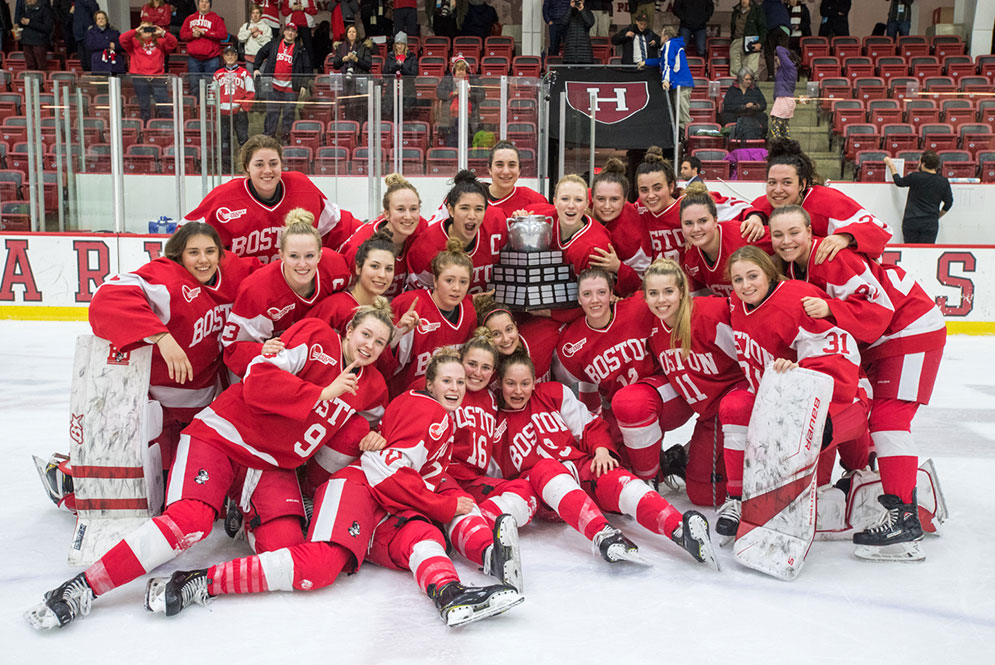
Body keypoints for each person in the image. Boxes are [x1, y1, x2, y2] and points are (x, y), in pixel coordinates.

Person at [25, 313, 387, 630]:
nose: (370, 345)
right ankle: (82, 588)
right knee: (191, 520)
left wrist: (372, 439)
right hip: (223, 435)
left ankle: (202, 571)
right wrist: (321, 393)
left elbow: (359, 431)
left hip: (269, 467)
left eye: (380, 341)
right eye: (365, 334)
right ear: (349, 329)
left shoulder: (372, 388)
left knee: (285, 551)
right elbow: (258, 381)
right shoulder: (318, 337)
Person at [138, 349, 525, 628]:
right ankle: (198, 581)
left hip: (382, 502)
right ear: (430, 382)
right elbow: (387, 470)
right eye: (448, 380)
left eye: (460, 382)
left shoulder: (433, 412)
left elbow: (410, 466)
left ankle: (450, 595)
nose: (456, 387)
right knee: (320, 567)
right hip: (360, 488)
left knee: (422, 535)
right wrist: (443, 507)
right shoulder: (431, 412)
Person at [768, 205, 946, 558]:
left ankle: (903, 518)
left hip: (909, 329)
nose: (786, 241)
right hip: (880, 342)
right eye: (778, 235)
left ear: (809, 231)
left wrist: (834, 310)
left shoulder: (832, 257)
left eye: (794, 233)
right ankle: (874, 479)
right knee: (857, 406)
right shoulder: (792, 266)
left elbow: (879, 311)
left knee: (888, 419)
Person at [495, 352, 718, 568]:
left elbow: (589, 425)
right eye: (510, 383)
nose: (518, 391)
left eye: (524, 383)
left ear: (534, 382)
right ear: (500, 384)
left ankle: (678, 528)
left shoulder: (553, 393)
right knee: (544, 466)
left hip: (578, 467)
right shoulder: (495, 423)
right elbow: (490, 473)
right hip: (546, 491)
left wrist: (601, 448)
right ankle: (603, 534)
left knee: (612, 476)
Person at [84, 223, 259, 475]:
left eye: (210, 251)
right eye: (193, 252)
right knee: (163, 478)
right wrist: (162, 338)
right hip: (162, 408)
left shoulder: (233, 270)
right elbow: (107, 297)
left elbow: (279, 279)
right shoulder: (166, 277)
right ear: (178, 255)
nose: (203, 260)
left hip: (211, 401)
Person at [717, 245, 866, 538]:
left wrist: (800, 370)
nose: (746, 285)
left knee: (818, 480)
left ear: (769, 273)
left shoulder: (797, 298)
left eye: (752, 276)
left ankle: (863, 469)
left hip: (834, 399)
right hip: (779, 402)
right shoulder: (736, 302)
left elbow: (837, 358)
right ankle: (736, 498)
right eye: (738, 279)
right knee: (734, 406)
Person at [614, 258, 747, 505]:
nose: (661, 300)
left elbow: (750, 353)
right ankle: (683, 456)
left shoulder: (708, 314)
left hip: (736, 405)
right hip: (708, 413)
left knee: (717, 490)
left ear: (682, 291)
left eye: (668, 292)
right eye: (653, 293)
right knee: (703, 494)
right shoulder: (652, 324)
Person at [184, 135, 355, 264]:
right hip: (242, 287)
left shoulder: (302, 187)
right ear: (246, 167)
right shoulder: (224, 198)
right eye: (259, 164)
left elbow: (336, 226)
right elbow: (184, 234)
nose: (267, 170)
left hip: (296, 279)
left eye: (273, 163)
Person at [222, 210, 350, 377]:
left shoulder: (336, 268)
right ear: (281, 255)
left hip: (311, 355)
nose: (302, 264)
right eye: (294, 256)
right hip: (267, 363)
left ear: (320, 255)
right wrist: (260, 349)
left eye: (309, 256)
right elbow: (233, 347)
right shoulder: (258, 290)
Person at [740, 139, 893, 261]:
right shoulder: (766, 203)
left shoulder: (825, 201)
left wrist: (845, 237)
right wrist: (754, 217)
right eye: (772, 182)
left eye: (787, 182)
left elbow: (879, 229)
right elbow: (748, 209)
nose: (778, 190)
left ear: (802, 184)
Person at [635, 146, 755, 265]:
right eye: (644, 190)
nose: (651, 195)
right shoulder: (639, 209)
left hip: (693, 277)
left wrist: (755, 217)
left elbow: (740, 206)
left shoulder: (689, 204)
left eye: (657, 188)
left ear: (671, 186)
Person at [387, 238, 477, 396]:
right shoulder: (410, 304)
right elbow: (382, 363)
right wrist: (396, 336)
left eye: (463, 282)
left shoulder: (469, 311)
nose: (456, 288)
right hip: (406, 396)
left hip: (448, 398)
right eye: (449, 280)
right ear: (435, 280)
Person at [407, 170, 505, 293]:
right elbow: (420, 298)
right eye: (464, 208)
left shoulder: (496, 221)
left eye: (479, 209)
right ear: (451, 210)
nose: (472, 215)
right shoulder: (425, 247)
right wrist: (468, 303)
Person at [338, 173, 427, 297]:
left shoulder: (420, 227)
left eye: (413, 209)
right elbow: (346, 292)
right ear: (386, 213)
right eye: (400, 209)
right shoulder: (361, 247)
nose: (408, 217)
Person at [680, 182, 772, 297]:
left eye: (703, 221)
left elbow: (785, 242)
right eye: (688, 223)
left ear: (715, 221)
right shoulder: (690, 258)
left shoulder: (744, 234)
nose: (696, 229)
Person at [586, 157, 652, 296]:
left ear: (625, 199)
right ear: (591, 197)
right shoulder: (581, 202)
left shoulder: (633, 234)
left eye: (614, 199)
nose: (607, 206)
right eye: (601, 199)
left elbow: (642, 281)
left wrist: (618, 267)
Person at [311, 230, 397, 334]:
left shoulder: (384, 313)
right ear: (358, 268)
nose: (382, 275)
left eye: (389, 269)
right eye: (374, 266)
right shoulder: (336, 307)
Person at [475, 295, 561, 384]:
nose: (506, 339)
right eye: (496, 334)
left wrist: (550, 313)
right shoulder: (483, 370)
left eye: (509, 329)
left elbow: (574, 314)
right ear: (486, 336)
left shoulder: (541, 336)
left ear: (516, 326)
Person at [255, 21, 312, 145]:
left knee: (288, 115)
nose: (290, 33)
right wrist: (255, 68)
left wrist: (303, 84)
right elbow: (260, 53)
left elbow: (307, 68)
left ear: (296, 34)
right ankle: (269, 138)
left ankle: (286, 139)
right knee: (271, 113)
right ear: (284, 31)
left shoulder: (301, 49)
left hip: (291, 88)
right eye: (288, 30)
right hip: (273, 86)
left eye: (293, 31)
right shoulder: (274, 44)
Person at [884, 151, 953, 244]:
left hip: (912, 221)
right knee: (926, 252)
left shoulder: (915, 177)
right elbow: (949, 203)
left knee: (910, 250)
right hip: (930, 222)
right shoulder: (943, 181)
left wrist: (891, 166)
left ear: (923, 164)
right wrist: (937, 216)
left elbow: (899, 182)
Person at [120, 21, 177, 124]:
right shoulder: (134, 42)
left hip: (157, 77)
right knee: (144, 106)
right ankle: (145, 128)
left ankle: (167, 127)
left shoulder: (160, 42)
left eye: (149, 28)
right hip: (139, 77)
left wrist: (163, 32)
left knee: (164, 105)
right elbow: (122, 39)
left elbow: (173, 43)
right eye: (144, 29)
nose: (147, 31)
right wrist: (136, 30)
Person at [644, 26, 693, 128]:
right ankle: (682, 138)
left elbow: (668, 64)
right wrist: (646, 62)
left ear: (666, 36)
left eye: (661, 36)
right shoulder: (675, 44)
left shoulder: (670, 44)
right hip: (682, 82)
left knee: (682, 115)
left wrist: (665, 80)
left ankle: (685, 139)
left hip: (680, 83)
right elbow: (662, 61)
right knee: (679, 114)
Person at [214, 45, 255, 170]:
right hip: (223, 113)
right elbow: (212, 92)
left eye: (232, 54)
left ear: (236, 56)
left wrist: (244, 107)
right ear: (224, 57)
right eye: (227, 54)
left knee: (243, 140)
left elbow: (251, 92)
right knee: (224, 141)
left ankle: (244, 166)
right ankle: (225, 167)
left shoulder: (244, 73)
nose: (230, 57)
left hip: (239, 112)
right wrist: (216, 107)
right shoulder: (218, 74)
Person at [485, 141, 547, 217]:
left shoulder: (535, 200)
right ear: (489, 169)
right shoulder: (473, 198)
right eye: (499, 165)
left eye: (512, 165)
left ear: (519, 170)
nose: (506, 171)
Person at [434, 55, 485, 147]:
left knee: (468, 145)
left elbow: (482, 95)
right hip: (451, 119)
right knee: (451, 144)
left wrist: (470, 95)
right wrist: (453, 93)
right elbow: (439, 93)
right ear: (454, 71)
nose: (460, 72)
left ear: (466, 71)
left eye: (462, 70)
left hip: (470, 118)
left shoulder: (474, 81)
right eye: (458, 70)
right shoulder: (447, 80)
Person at [180, 0, 227, 94]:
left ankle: (210, 108)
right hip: (194, 58)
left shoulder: (216, 18)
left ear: (210, 5)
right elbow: (182, 35)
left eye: (206, 2)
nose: (204, 4)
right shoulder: (190, 18)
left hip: (212, 58)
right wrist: (192, 34)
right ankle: (196, 108)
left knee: (211, 88)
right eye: (201, 1)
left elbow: (223, 34)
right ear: (198, 4)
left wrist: (206, 33)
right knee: (194, 87)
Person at [720, 68, 767, 138]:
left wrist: (756, 106)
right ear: (741, 79)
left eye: (750, 79)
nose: (749, 82)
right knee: (726, 116)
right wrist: (744, 107)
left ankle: (761, 139)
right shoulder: (732, 90)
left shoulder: (755, 90)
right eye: (746, 79)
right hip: (735, 115)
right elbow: (727, 106)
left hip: (752, 114)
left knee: (763, 116)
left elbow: (764, 105)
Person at [769, 46, 798, 140]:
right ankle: (787, 148)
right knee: (783, 128)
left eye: (777, 58)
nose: (776, 60)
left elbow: (779, 48)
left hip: (784, 100)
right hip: (784, 99)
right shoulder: (784, 69)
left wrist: (785, 54)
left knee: (775, 129)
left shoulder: (789, 67)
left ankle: (780, 148)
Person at [729, 0, 765, 77]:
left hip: (752, 41)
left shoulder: (757, 11)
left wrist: (760, 43)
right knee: (735, 70)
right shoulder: (736, 11)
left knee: (750, 70)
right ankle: (736, 87)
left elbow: (763, 28)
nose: (744, 1)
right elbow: (732, 28)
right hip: (736, 40)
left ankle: (751, 88)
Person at [85, 11, 126, 75]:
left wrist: (114, 46)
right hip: (99, 65)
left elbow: (122, 45)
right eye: (98, 19)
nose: (101, 20)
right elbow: (90, 45)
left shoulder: (114, 31)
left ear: (106, 19)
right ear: (96, 21)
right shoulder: (91, 32)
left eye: (103, 18)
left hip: (115, 65)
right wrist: (108, 44)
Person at [17, 0, 54, 71]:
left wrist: (30, 23)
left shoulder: (45, 9)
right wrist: (21, 22)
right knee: (30, 66)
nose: (28, 1)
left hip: (39, 42)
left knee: (41, 66)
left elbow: (48, 27)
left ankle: (42, 81)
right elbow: (20, 20)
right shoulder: (25, 8)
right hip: (26, 41)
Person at [237, 4, 272, 73]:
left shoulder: (266, 27)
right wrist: (250, 31)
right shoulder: (246, 26)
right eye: (253, 13)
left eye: (257, 13)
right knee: (250, 80)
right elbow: (240, 38)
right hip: (249, 59)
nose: (255, 15)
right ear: (251, 14)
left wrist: (258, 36)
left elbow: (268, 43)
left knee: (261, 81)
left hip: (262, 60)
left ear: (260, 14)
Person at [557, 0, 594, 64]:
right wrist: (570, 8)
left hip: (585, 53)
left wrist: (582, 10)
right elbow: (563, 23)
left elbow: (590, 23)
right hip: (570, 52)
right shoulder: (568, 12)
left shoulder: (588, 12)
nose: (577, 2)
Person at [761, 0, 790, 82]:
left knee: (769, 52)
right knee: (783, 53)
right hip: (785, 29)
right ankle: (785, 76)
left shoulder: (766, 3)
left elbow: (761, 17)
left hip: (772, 28)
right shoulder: (781, 4)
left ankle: (771, 76)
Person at [70, 0, 98, 71]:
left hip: (88, 34)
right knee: (83, 62)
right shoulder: (75, 3)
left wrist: (92, 27)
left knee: (90, 62)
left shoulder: (88, 2)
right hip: (78, 35)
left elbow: (95, 12)